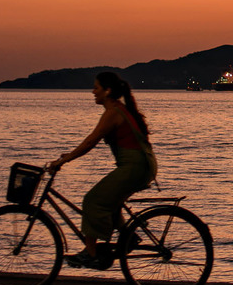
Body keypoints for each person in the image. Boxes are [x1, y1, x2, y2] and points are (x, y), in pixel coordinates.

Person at [46, 72, 156, 269]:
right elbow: (91, 141)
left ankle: (91, 253)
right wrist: (68, 156)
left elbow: (91, 141)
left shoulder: (113, 112)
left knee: (93, 200)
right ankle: (128, 237)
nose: (93, 91)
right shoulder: (118, 109)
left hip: (135, 167)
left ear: (108, 91)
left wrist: (64, 161)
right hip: (139, 165)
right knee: (110, 201)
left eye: (96, 88)